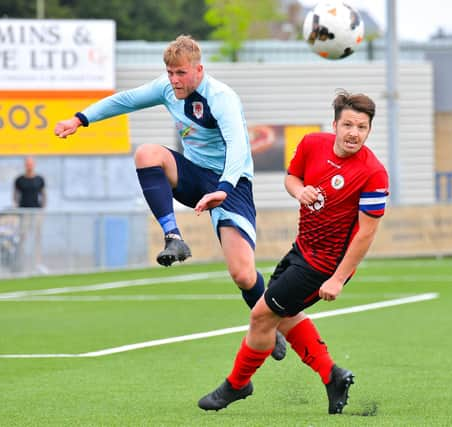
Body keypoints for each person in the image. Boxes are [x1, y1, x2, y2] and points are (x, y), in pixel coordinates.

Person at [54, 34, 285, 361]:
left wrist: (225, 188)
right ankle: (173, 236)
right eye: (170, 73)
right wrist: (80, 119)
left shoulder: (222, 98)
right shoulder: (167, 89)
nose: (174, 80)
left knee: (243, 274)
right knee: (148, 153)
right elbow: (125, 100)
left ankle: (270, 326)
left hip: (230, 184)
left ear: (198, 69)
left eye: (181, 73)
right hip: (193, 175)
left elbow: (238, 147)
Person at [197, 91, 389, 414]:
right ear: (335, 125)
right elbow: (291, 178)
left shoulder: (373, 173)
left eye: (362, 127)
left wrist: (338, 279)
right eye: (348, 125)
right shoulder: (312, 143)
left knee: (261, 316)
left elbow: (366, 234)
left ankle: (237, 383)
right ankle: (333, 375)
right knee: (281, 316)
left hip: (324, 266)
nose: (354, 133)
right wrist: (300, 191)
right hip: (302, 249)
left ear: (369, 131)